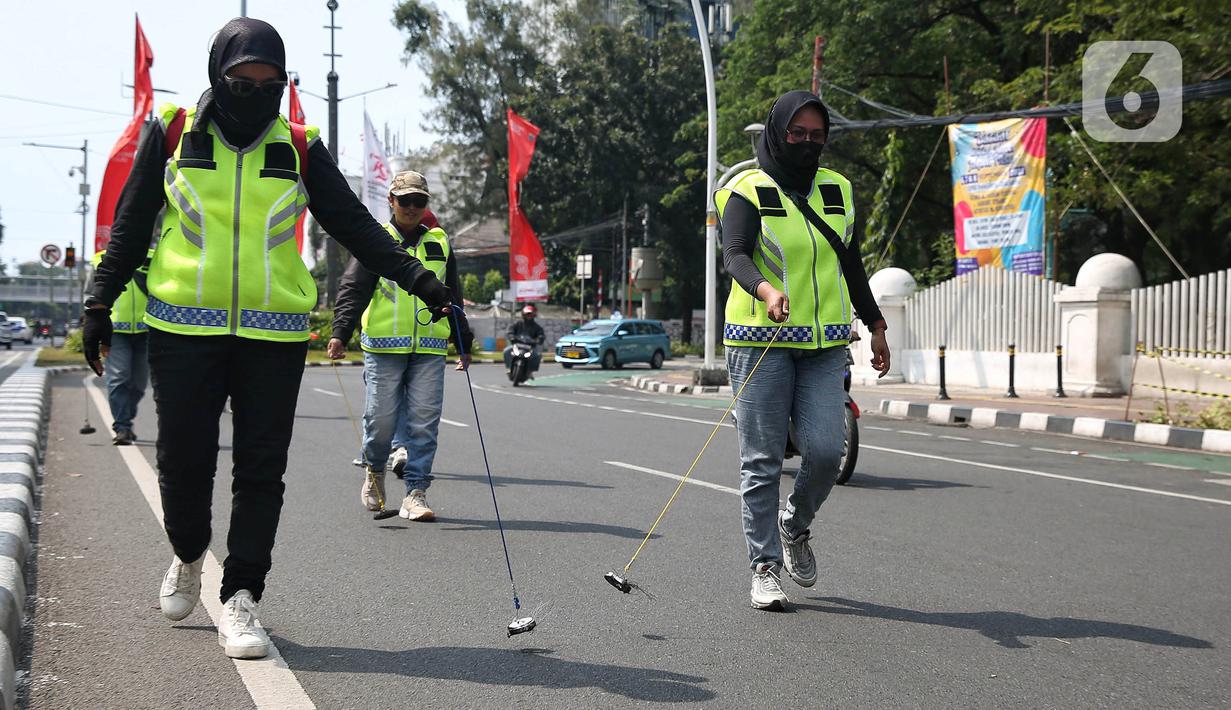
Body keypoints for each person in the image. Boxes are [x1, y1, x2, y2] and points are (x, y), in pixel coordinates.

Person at [80, 18, 453, 660]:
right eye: (241, 81)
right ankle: (189, 553)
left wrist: (424, 281)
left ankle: (241, 598)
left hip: (274, 334)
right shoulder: (173, 132)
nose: (255, 93)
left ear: (284, 83)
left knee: (261, 470)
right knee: (184, 463)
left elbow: (357, 227)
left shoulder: (300, 146)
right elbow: (133, 220)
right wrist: (99, 302)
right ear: (216, 76)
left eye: (269, 82)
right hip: (181, 330)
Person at [716, 90, 890, 611]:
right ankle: (763, 566)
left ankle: (795, 525)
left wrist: (876, 323)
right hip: (760, 341)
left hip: (825, 345)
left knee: (825, 451)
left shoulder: (838, 189)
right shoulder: (746, 188)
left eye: (817, 136)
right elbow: (735, 254)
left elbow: (850, 263)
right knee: (762, 461)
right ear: (777, 133)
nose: (808, 143)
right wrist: (766, 291)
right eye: (798, 134)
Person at [328, 170, 473, 521]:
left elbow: (452, 293)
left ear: (426, 205)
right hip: (382, 346)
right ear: (391, 201)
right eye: (404, 200)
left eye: (418, 201)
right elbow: (354, 288)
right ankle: (375, 473)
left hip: (428, 347)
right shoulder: (375, 239)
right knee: (380, 421)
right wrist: (339, 332)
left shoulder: (440, 241)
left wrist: (462, 341)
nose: (411, 207)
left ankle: (415, 493)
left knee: (424, 422)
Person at [90, 246, 154, 445]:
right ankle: (122, 427)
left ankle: (125, 416)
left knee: (139, 384)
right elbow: (89, 294)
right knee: (118, 378)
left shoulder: (153, 255)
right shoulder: (99, 259)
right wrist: (93, 325)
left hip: (147, 329)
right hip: (115, 331)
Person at [503, 303, 545, 375]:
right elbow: (510, 330)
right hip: (517, 345)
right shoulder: (518, 323)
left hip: (530, 347)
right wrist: (511, 336)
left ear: (534, 315)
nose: (529, 316)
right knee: (506, 351)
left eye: (530, 314)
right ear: (523, 314)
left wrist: (539, 339)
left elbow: (541, 335)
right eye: (527, 314)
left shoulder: (537, 327)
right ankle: (509, 367)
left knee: (537, 355)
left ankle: (530, 370)